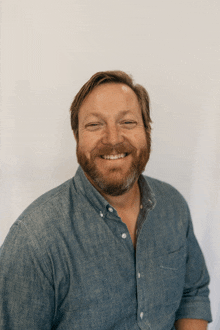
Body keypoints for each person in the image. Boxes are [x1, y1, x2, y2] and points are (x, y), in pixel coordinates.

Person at [0, 71, 212, 329]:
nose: (113, 139)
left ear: (147, 131)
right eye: (94, 124)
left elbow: (193, 293)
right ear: (77, 138)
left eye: (128, 122)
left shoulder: (173, 206)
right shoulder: (33, 242)